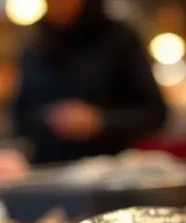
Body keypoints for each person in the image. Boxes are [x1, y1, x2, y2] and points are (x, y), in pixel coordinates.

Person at [11, 0, 168, 165]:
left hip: (110, 172)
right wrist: (50, 118)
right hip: (48, 172)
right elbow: (18, 117)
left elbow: (156, 113)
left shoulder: (120, 38)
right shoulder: (34, 42)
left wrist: (101, 121)